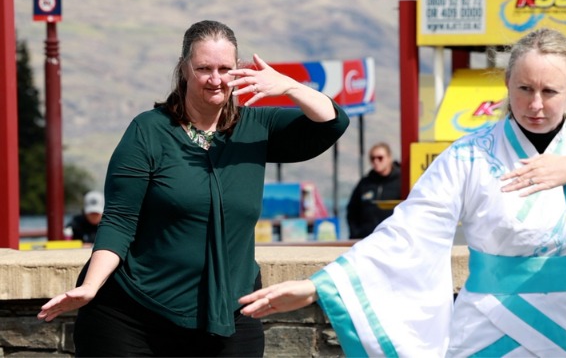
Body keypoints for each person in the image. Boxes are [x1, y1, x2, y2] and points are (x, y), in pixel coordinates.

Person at [238, 27, 566, 357]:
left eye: (549, 91)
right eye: (525, 88)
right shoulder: (469, 154)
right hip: (487, 327)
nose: (535, 104)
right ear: (507, 82)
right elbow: (409, 231)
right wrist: (319, 285)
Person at [37, 20, 349, 357]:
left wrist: (289, 86)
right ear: (184, 69)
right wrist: (90, 286)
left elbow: (332, 123)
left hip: (229, 312)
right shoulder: (148, 131)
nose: (215, 79)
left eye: (225, 69)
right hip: (133, 317)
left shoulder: (256, 128)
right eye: (204, 68)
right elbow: (119, 219)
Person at [346, 142, 401, 239]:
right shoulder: (365, 183)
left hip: (393, 238)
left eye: (380, 158)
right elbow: (352, 210)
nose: (376, 161)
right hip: (366, 238)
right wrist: (356, 234)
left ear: (389, 158)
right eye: (372, 158)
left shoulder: (401, 181)